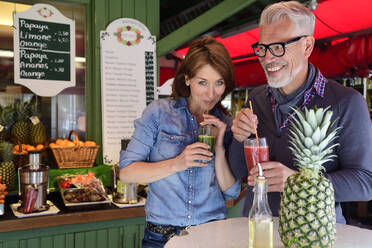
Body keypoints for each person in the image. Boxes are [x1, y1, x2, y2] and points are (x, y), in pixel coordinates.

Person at [229, 1, 372, 224]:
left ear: (307, 46)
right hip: (258, 226)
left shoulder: (347, 102)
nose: (267, 58)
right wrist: (238, 139)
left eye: (278, 47)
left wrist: (298, 182)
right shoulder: (255, 98)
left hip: (315, 232)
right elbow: (240, 172)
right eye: (263, 48)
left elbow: (365, 183)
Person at [119, 36, 240, 248]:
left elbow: (231, 191)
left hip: (213, 235)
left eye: (219, 83)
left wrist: (219, 147)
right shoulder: (158, 113)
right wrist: (177, 163)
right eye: (202, 82)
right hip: (162, 238)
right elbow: (128, 173)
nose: (211, 94)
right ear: (187, 79)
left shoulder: (226, 123)